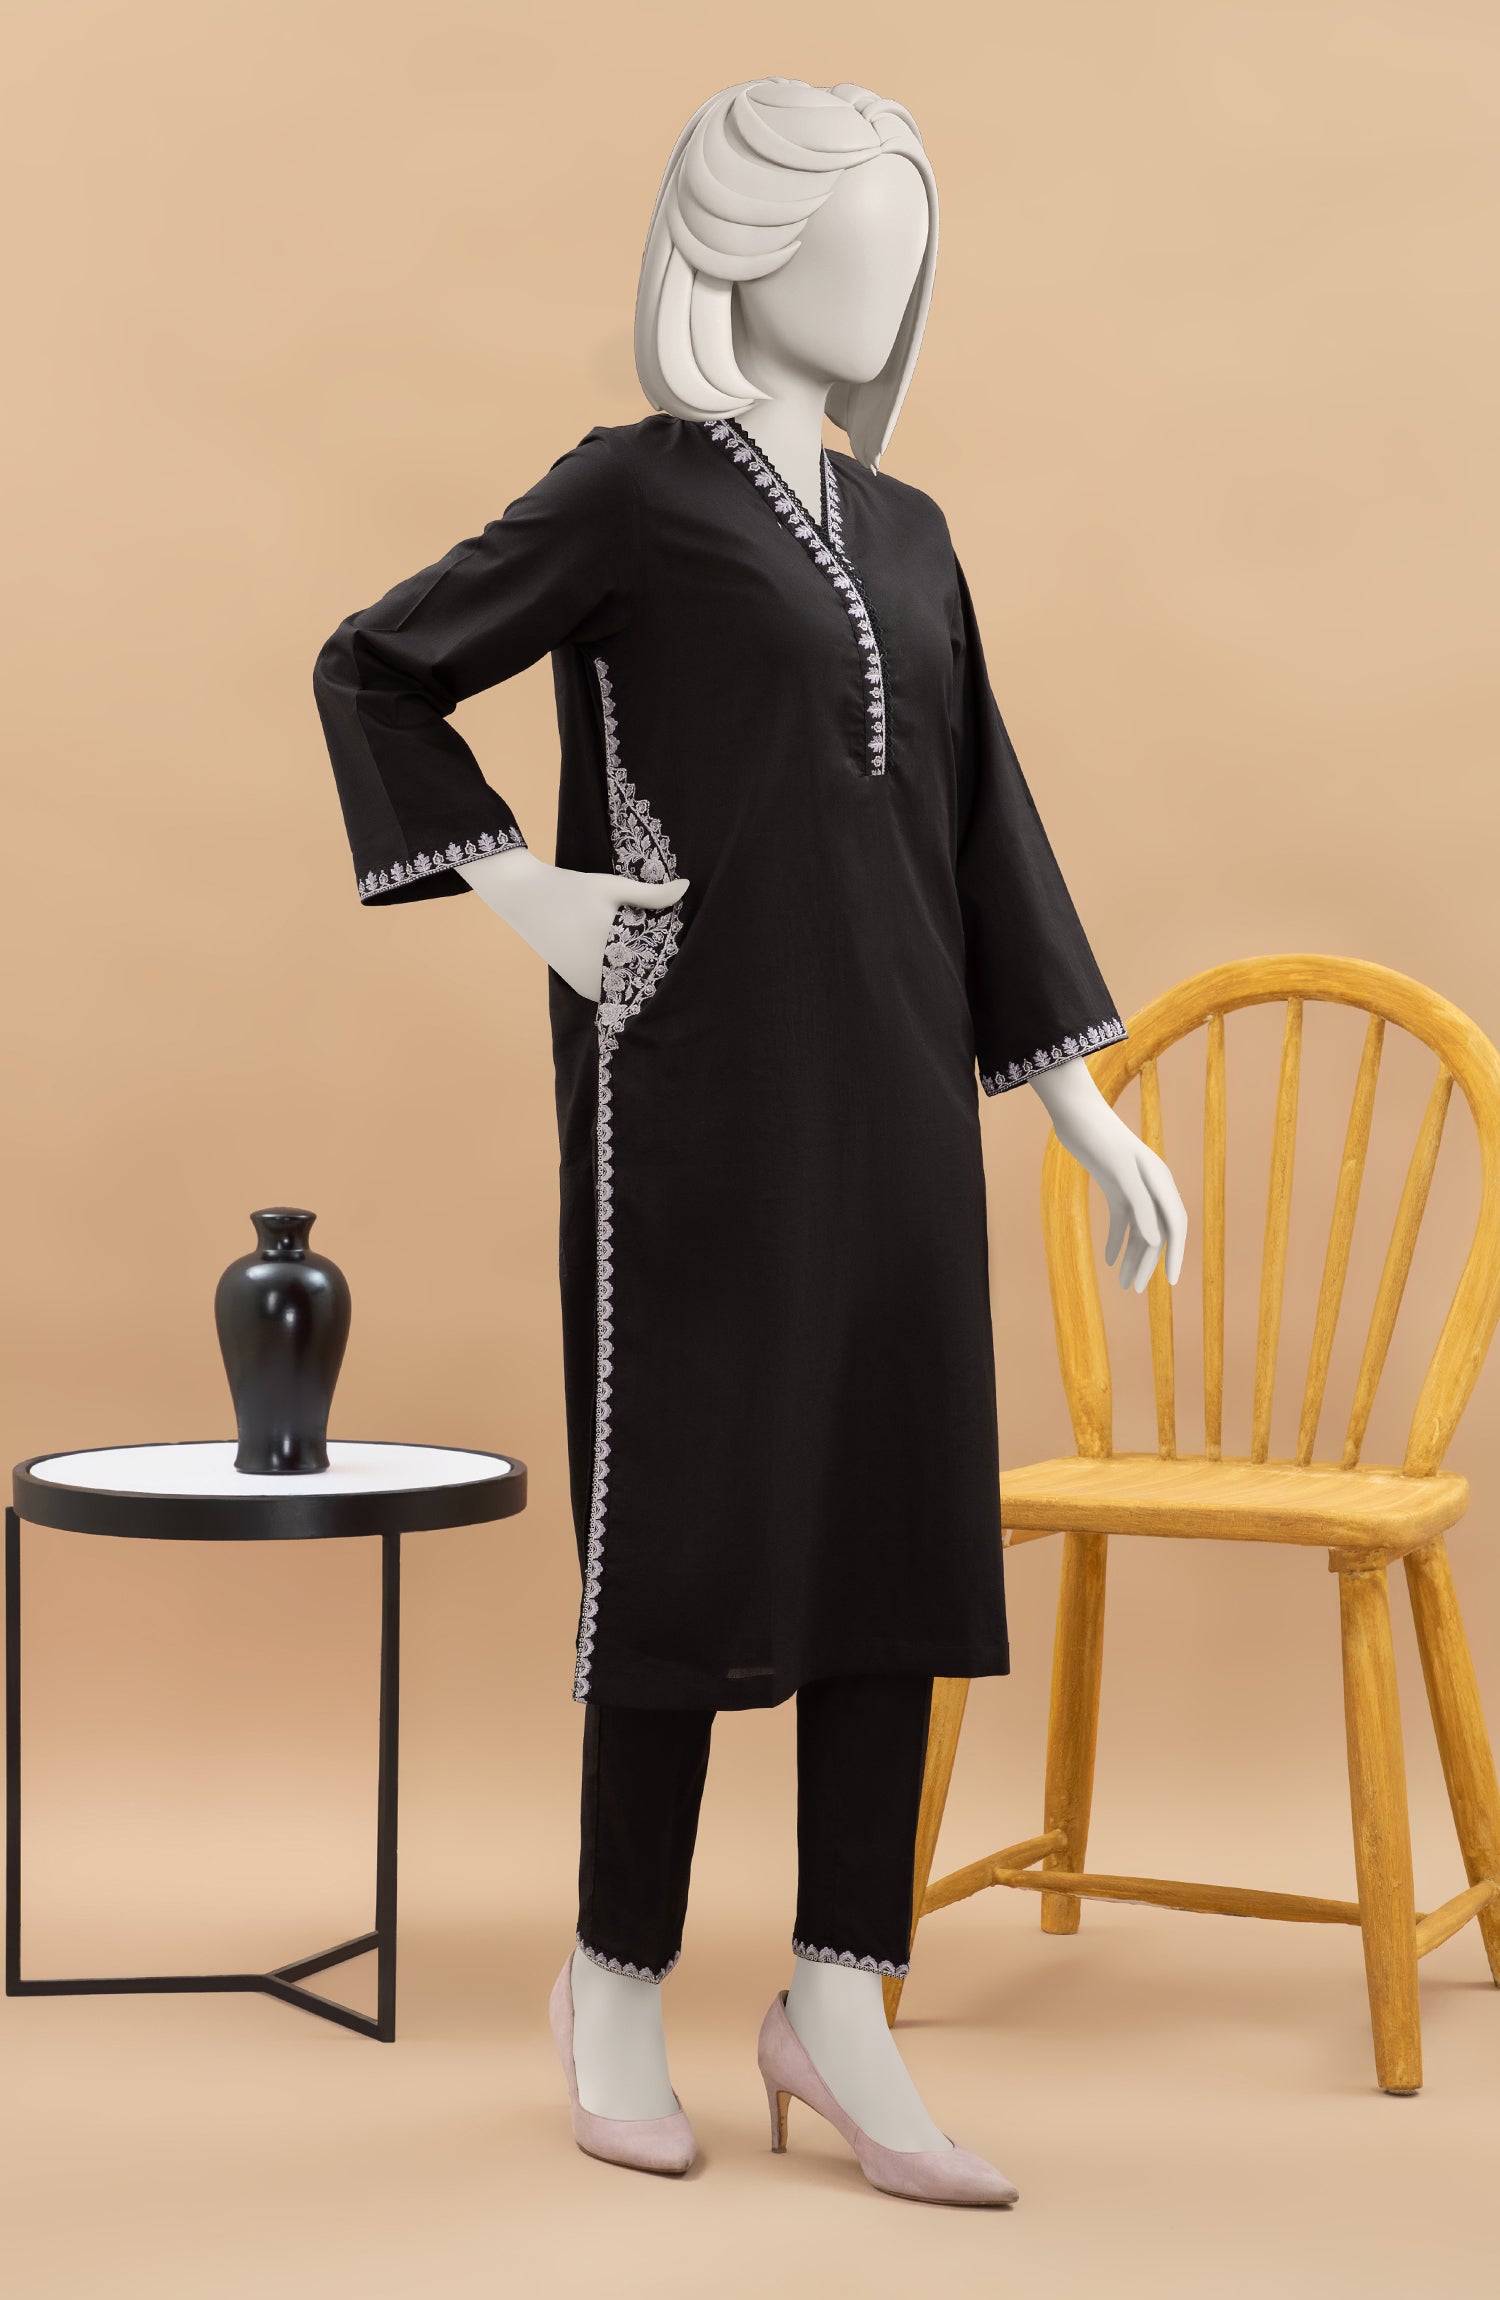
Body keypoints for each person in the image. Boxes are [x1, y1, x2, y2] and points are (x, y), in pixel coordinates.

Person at [313, 77, 1186, 2204]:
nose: (888, 271)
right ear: (736, 240)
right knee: (686, 1534)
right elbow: (377, 668)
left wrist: (1078, 1104)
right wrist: (522, 886)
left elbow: (982, 829)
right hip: (693, 1096)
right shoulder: (631, 494)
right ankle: (614, 1984)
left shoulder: (914, 534)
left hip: (899, 1113)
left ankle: (841, 2002)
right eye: (851, 225)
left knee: (892, 1532)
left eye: (909, 233)